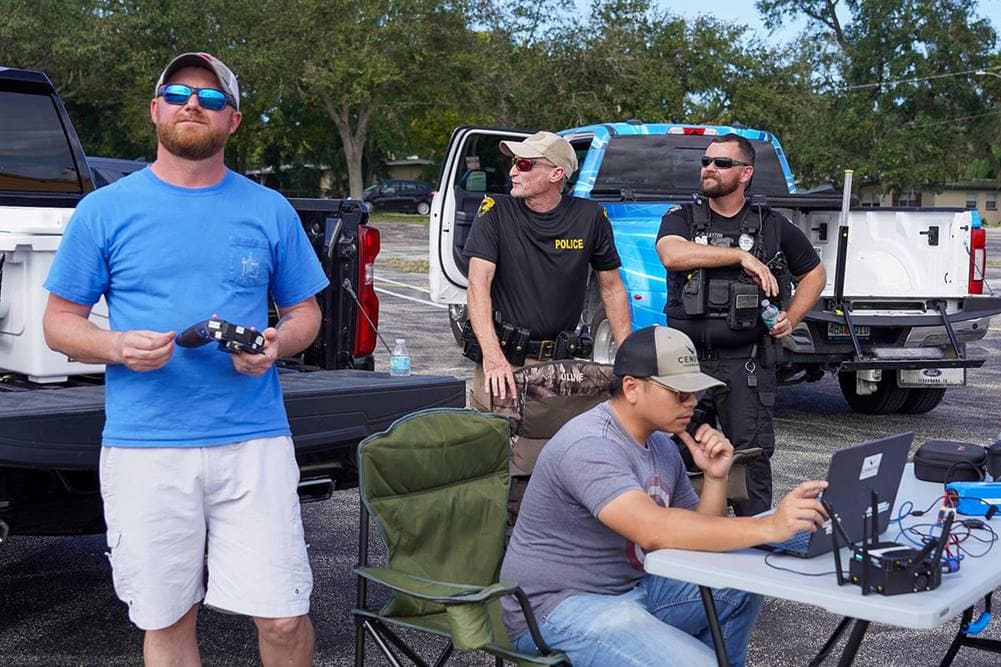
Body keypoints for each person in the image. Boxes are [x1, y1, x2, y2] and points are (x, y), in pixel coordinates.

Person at [42, 53, 325, 666]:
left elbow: (306, 315)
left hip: (253, 442)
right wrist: (116, 345)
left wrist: (277, 343)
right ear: (155, 111)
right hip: (146, 446)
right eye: (176, 93)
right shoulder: (104, 211)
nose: (192, 104)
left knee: (282, 617)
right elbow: (58, 325)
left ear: (233, 121)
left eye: (211, 98)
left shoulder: (269, 209)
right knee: (168, 620)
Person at [500, 325, 828, 667]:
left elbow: (699, 542)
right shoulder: (589, 445)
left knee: (742, 578)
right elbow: (654, 530)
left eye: (695, 392)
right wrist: (770, 527)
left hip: (636, 588)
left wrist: (716, 478)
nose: (693, 403)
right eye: (679, 393)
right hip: (558, 606)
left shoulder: (659, 443)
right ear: (631, 388)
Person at [656, 133, 826, 516]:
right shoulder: (682, 216)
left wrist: (792, 317)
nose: (710, 169)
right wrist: (739, 257)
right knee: (678, 458)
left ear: (746, 173)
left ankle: (754, 552)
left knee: (749, 465)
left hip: (746, 366)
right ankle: (683, 550)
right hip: (687, 367)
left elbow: (815, 274)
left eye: (721, 163)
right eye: (706, 162)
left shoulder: (771, 225)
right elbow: (671, 253)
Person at [462, 131, 631, 411]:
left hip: (561, 364)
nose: (513, 171)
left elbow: (612, 289)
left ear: (556, 174)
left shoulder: (590, 217)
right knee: (494, 446)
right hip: (505, 362)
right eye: (514, 163)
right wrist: (492, 356)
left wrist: (628, 358)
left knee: (555, 448)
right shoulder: (495, 212)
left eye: (525, 165)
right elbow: (477, 286)